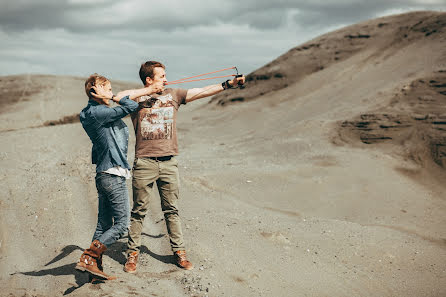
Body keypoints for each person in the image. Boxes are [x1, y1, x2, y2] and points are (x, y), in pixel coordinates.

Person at [124, 61, 245, 273]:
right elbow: (118, 97)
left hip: (169, 162)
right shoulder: (136, 100)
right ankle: (132, 255)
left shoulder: (174, 94)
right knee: (139, 211)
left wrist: (228, 84)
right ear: (149, 79)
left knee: (172, 210)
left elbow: (201, 91)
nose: (166, 79)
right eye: (161, 76)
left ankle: (179, 253)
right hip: (144, 162)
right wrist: (148, 91)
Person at [75, 73, 163, 280]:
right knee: (122, 224)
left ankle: (93, 270)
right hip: (113, 173)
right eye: (106, 88)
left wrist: (110, 97)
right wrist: (115, 98)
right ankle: (88, 257)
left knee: (103, 224)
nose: (111, 91)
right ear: (94, 91)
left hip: (104, 174)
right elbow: (132, 107)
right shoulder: (99, 112)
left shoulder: (90, 112)